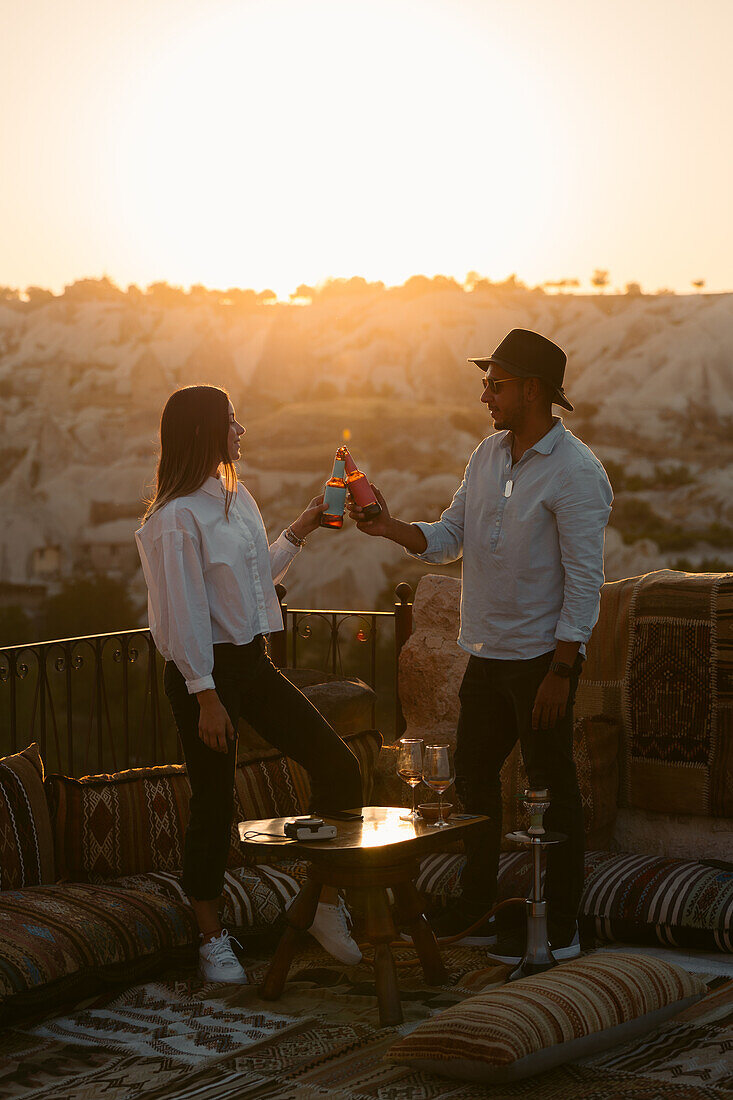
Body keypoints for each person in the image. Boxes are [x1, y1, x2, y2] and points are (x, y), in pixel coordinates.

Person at [348, 329, 613, 962]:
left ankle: (564, 928)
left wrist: (562, 669)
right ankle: (480, 910)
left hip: (542, 662)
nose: (485, 394)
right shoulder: (486, 456)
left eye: (496, 383)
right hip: (487, 653)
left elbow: (585, 579)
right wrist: (386, 526)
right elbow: (446, 539)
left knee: (552, 792)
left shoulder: (577, 473)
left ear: (533, 389)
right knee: (473, 782)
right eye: (485, 382)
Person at [135, 385, 363, 983]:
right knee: (215, 802)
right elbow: (181, 612)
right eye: (232, 421)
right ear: (205, 432)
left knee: (339, 768)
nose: (242, 430)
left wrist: (305, 525)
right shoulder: (174, 518)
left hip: (251, 664)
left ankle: (322, 904)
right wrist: (206, 695)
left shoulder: (236, 499)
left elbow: (255, 579)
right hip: (202, 674)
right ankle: (211, 939)